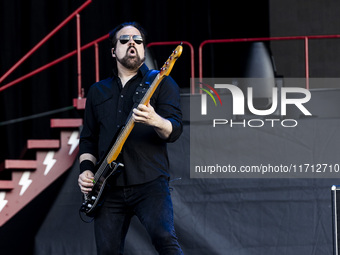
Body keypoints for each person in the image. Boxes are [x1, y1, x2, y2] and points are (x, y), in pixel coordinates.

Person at [77, 21, 184, 255]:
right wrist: (86, 170)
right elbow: (88, 138)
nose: (132, 44)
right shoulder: (97, 91)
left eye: (137, 40)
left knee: (165, 238)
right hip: (107, 187)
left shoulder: (161, 83)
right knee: (107, 251)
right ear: (114, 50)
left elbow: (174, 130)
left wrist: (156, 120)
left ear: (144, 50)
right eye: (124, 40)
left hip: (150, 181)